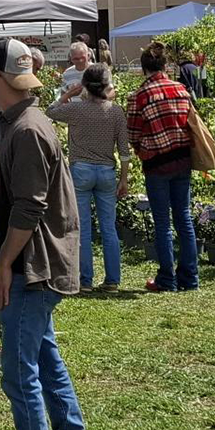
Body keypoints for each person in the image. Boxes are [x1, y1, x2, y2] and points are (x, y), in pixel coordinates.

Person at [0, 36, 91, 430]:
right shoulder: (27, 120)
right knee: (45, 360)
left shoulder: (25, 130)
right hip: (46, 260)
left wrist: (4, 264)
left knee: (19, 373)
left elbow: (29, 206)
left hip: (33, 266)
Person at [47, 64, 130, 291]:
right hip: (106, 170)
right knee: (109, 228)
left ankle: (85, 280)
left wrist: (67, 94)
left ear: (85, 85)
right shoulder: (115, 111)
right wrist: (124, 178)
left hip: (81, 169)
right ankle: (112, 279)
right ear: (106, 85)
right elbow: (124, 150)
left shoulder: (77, 109)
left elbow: (50, 111)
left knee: (82, 227)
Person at [126, 43, 199, 293]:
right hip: (182, 159)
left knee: (162, 222)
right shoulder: (180, 89)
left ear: (144, 67)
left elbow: (133, 133)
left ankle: (167, 279)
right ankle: (190, 278)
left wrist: (140, 148)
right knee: (184, 218)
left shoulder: (140, 95)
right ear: (165, 66)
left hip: (156, 163)